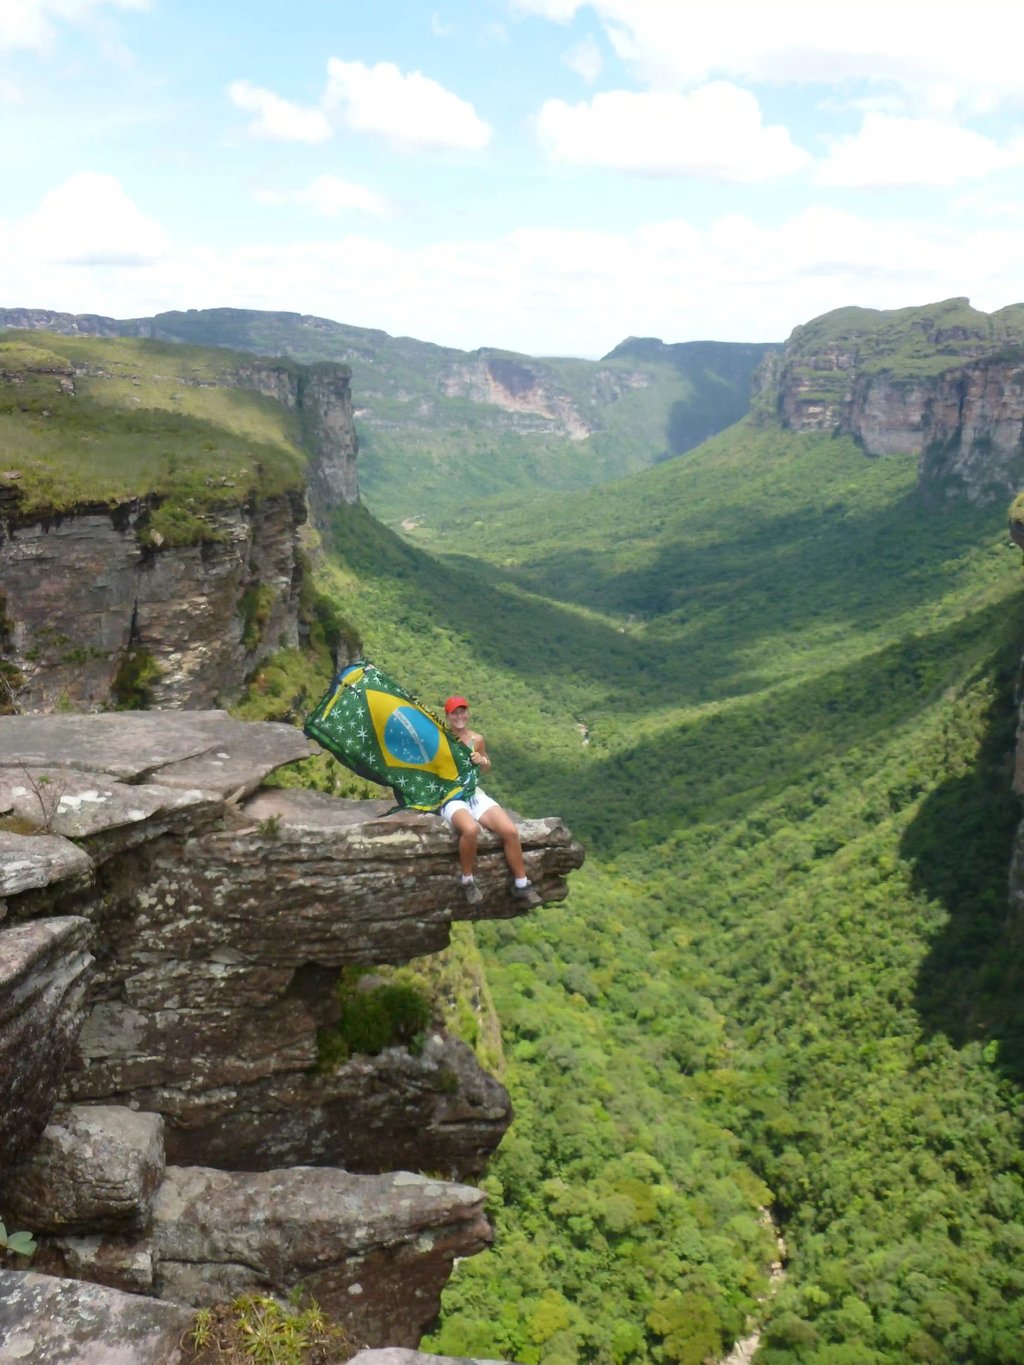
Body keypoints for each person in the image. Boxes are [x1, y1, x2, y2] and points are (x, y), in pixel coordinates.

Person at [440, 695, 543, 908]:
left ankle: (521, 883)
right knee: (470, 830)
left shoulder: (477, 740)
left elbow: (487, 766)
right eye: (454, 713)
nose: (459, 716)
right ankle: (467, 880)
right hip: (451, 796)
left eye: (462, 711)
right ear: (447, 716)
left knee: (510, 832)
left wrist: (482, 760)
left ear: (468, 713)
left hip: (474, 794)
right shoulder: (441, 739)